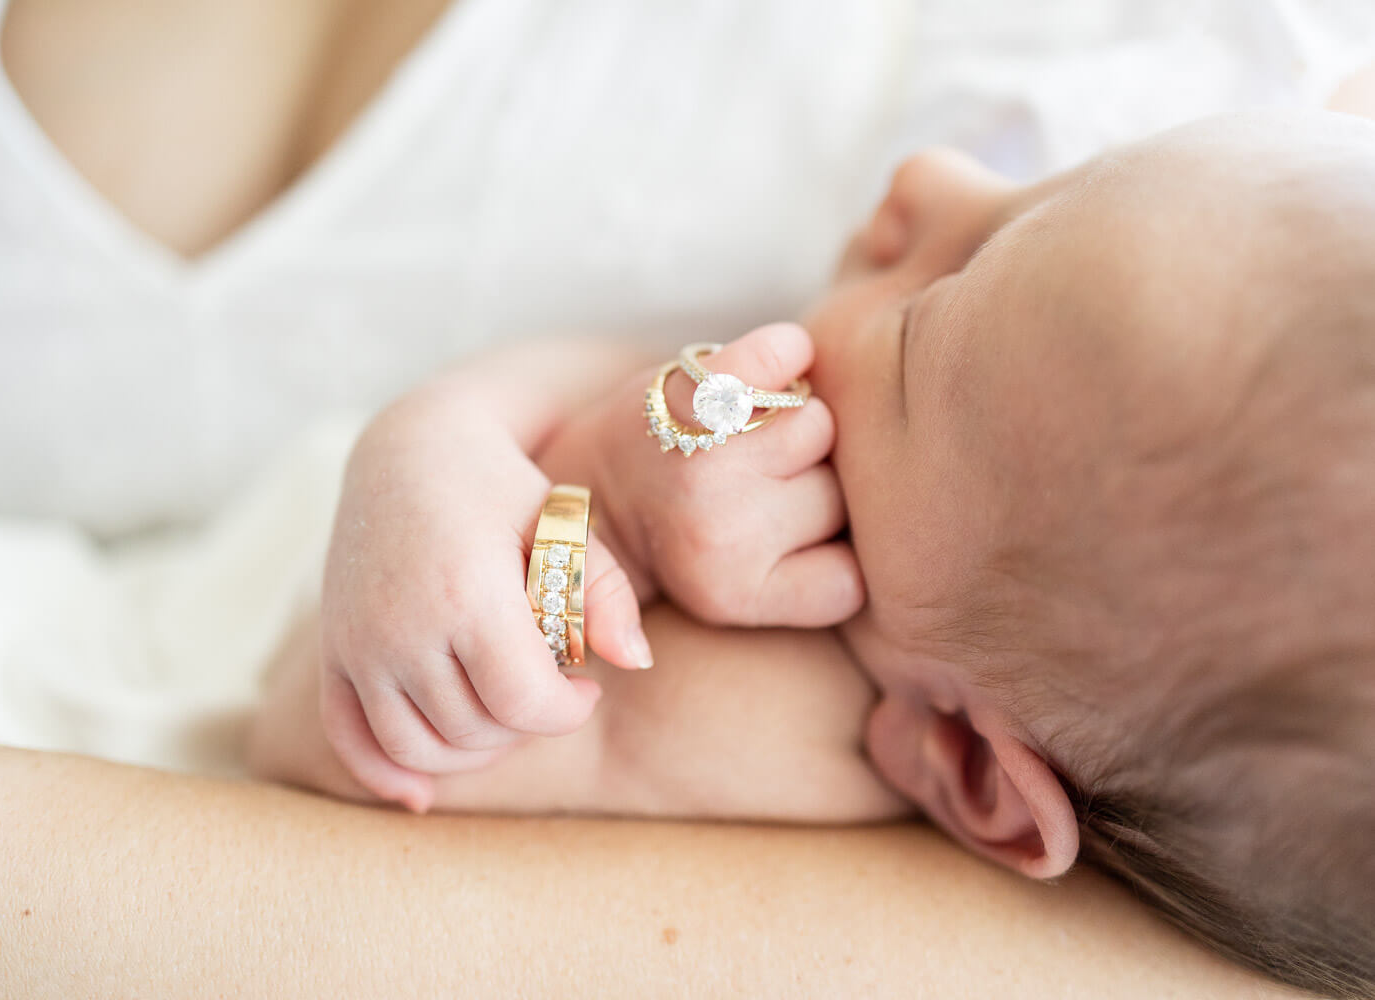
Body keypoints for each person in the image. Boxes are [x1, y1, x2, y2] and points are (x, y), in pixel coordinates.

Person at [251, 109, 1375, 999]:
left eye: (931, 312)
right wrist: (603, 446)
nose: (928, 179)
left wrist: (437, 454)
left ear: (969, 765)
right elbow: (623, 383)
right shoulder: (911, 560)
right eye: (1065, 172)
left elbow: (336, 730)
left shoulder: (760, 716)